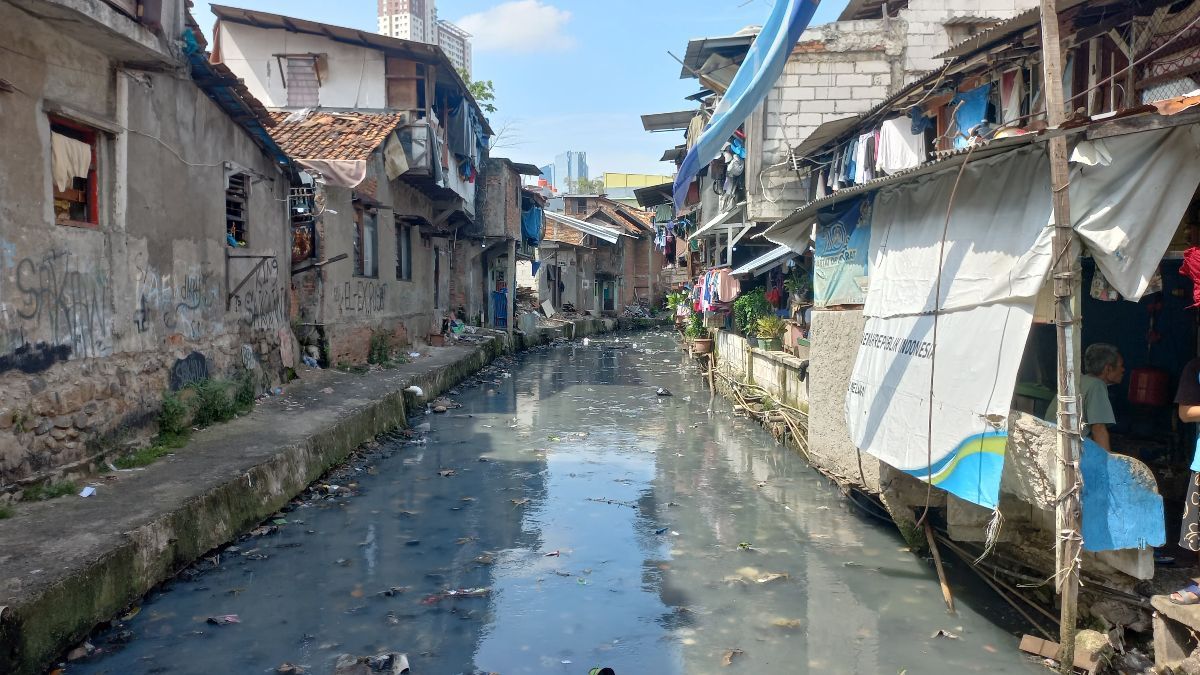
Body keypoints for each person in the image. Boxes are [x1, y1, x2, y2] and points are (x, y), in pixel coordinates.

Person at [1044, 343, 1124, 452]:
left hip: (1048, 442)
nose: (1123, 370)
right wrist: (1106, 465)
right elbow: (1099, 429)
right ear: (1108, 369)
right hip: (1064, 450)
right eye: (1121, 366)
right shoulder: (1097, 385)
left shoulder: (1077, 380)